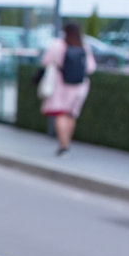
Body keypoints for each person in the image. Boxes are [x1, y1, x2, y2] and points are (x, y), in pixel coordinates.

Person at [40, 22, 96, 156]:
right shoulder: (84, 46)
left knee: (60, 114)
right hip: (78, 86)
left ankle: (63, 146)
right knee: (71, 115)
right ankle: (67, 143)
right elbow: (91, 68)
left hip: (60, 85)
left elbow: (45, 61)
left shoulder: (57, 45)